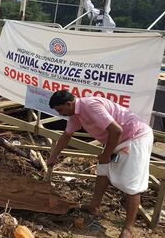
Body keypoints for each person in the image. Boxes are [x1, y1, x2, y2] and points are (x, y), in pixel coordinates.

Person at [47, 90, 153, 238]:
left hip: (135, 137)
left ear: (69, 103)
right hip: (118, 140)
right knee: (103, 170)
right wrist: (53, 156)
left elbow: (116, 130)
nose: (61, 113)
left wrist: (106, 154)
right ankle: (94, 206)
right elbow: (66, 136)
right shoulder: (75, 114)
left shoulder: (90, 106)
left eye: (60, 110)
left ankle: (128, 229)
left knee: (132, 185)